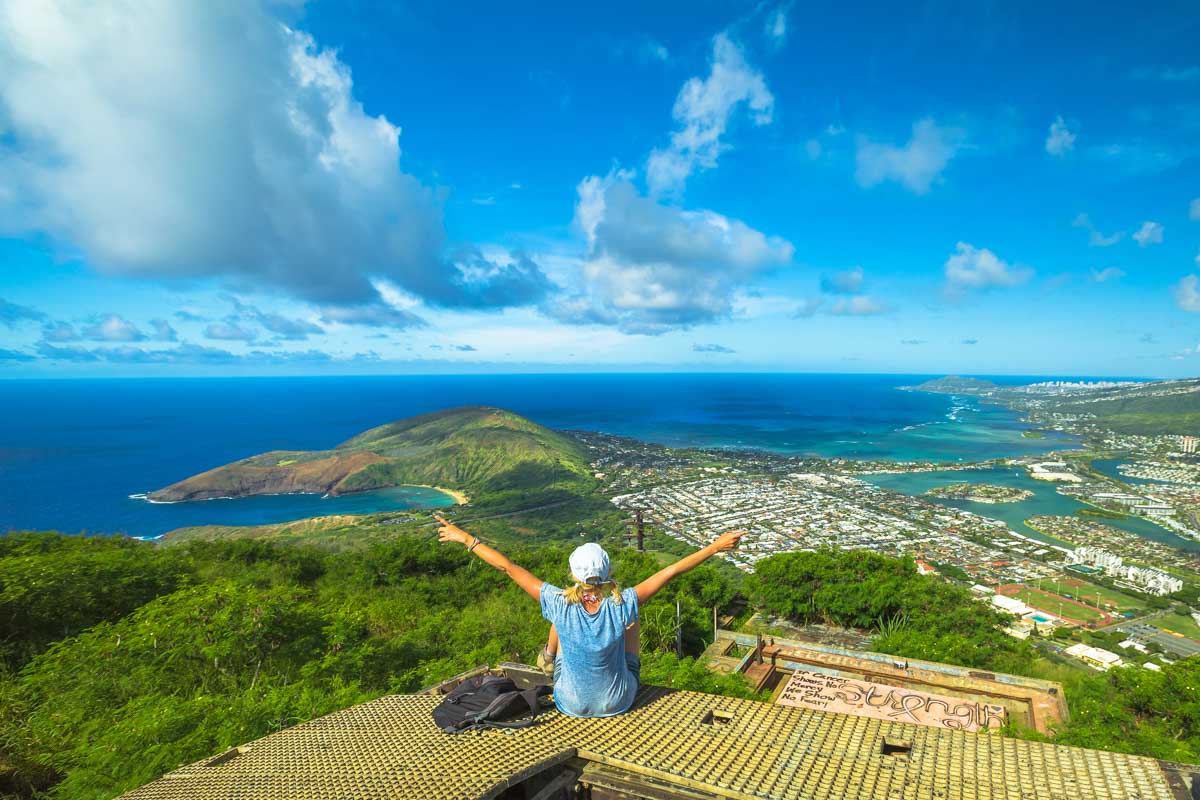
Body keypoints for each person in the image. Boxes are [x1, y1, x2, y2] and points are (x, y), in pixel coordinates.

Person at [435, 514, 745, 718]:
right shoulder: (622, 603)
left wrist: (465, 538)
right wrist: (715, 546)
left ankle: (547, 655)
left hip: (569, 703)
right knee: (632, 620)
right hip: (617, 702)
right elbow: (671, 570)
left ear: (572, 572)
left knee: (560, 615)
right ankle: (561, 659)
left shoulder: (558, 601)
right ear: (608, 571)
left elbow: (508, 567)